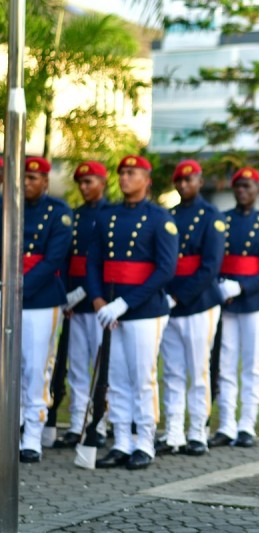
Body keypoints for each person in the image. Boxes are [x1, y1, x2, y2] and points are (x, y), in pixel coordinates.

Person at [86, 155, 178, 470]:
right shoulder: (107, 215)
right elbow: (94, 262)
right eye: (122, 173)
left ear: (146, 180)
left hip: (144, 310)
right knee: (116, 378)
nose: (124, 178)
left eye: (131, 173)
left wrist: (125, 303)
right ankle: (122, 441)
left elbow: (165, 269)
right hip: (110, 307)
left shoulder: (159, 217)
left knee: (142, 378)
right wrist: (98, 299)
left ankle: (145, 442)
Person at [208, 166, 259, 448]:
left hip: (254, 301)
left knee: (252, 364)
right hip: (226, 300)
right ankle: (227, 425)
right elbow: (213, 260)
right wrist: (220, 286)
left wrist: (242, 287)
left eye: (248, 186)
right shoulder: (222, 220)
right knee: (225, 364)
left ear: (257, 190)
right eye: (238, 186)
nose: (242, 191)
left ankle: (247, 425)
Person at [157, 160, 225, 456]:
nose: (184, 185)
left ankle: (197, 431)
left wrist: (178, 296)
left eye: (189, 180)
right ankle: (173, 431)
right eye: (179, 180)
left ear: (200, 181)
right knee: (172, 371)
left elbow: (211, 266)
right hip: (170, 302)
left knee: (198, 370)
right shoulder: (169, 215)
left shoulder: (211, 216)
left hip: (199, 302)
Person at [18, 156, 73, 463]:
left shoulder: (58, 212)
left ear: (45, 181)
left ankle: (32, 434)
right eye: (24, 177)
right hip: (7, 292)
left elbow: (54, 259)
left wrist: (19, 288)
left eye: (33, 178)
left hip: (40, 297)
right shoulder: (7, 204)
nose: (27, 182)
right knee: (9, 368)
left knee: (36, 366)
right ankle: (12, 426)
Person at [52, 161, 109, 449]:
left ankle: (100, 422)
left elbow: (103, 263)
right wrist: (66, 295)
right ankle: (77, 423)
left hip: (100, 301)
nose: (84, 187)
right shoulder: (74, 216)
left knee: (103, 369)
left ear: (103, 182)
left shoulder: (111, 215)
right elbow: (64, 260)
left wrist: (90, 292)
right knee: (76, 366)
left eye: (90, 181)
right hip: (75, 303)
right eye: (81, 183)